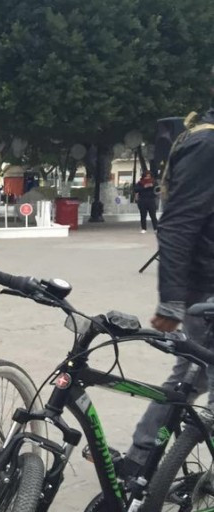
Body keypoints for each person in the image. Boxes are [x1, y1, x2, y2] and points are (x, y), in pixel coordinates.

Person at [124, 96, 214, 476]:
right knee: (189, 377)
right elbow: (177, 223)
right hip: (207, 289)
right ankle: (140, 462)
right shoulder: (207, 144)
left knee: (187, 379)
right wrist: (173, 301)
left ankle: (139, 461)